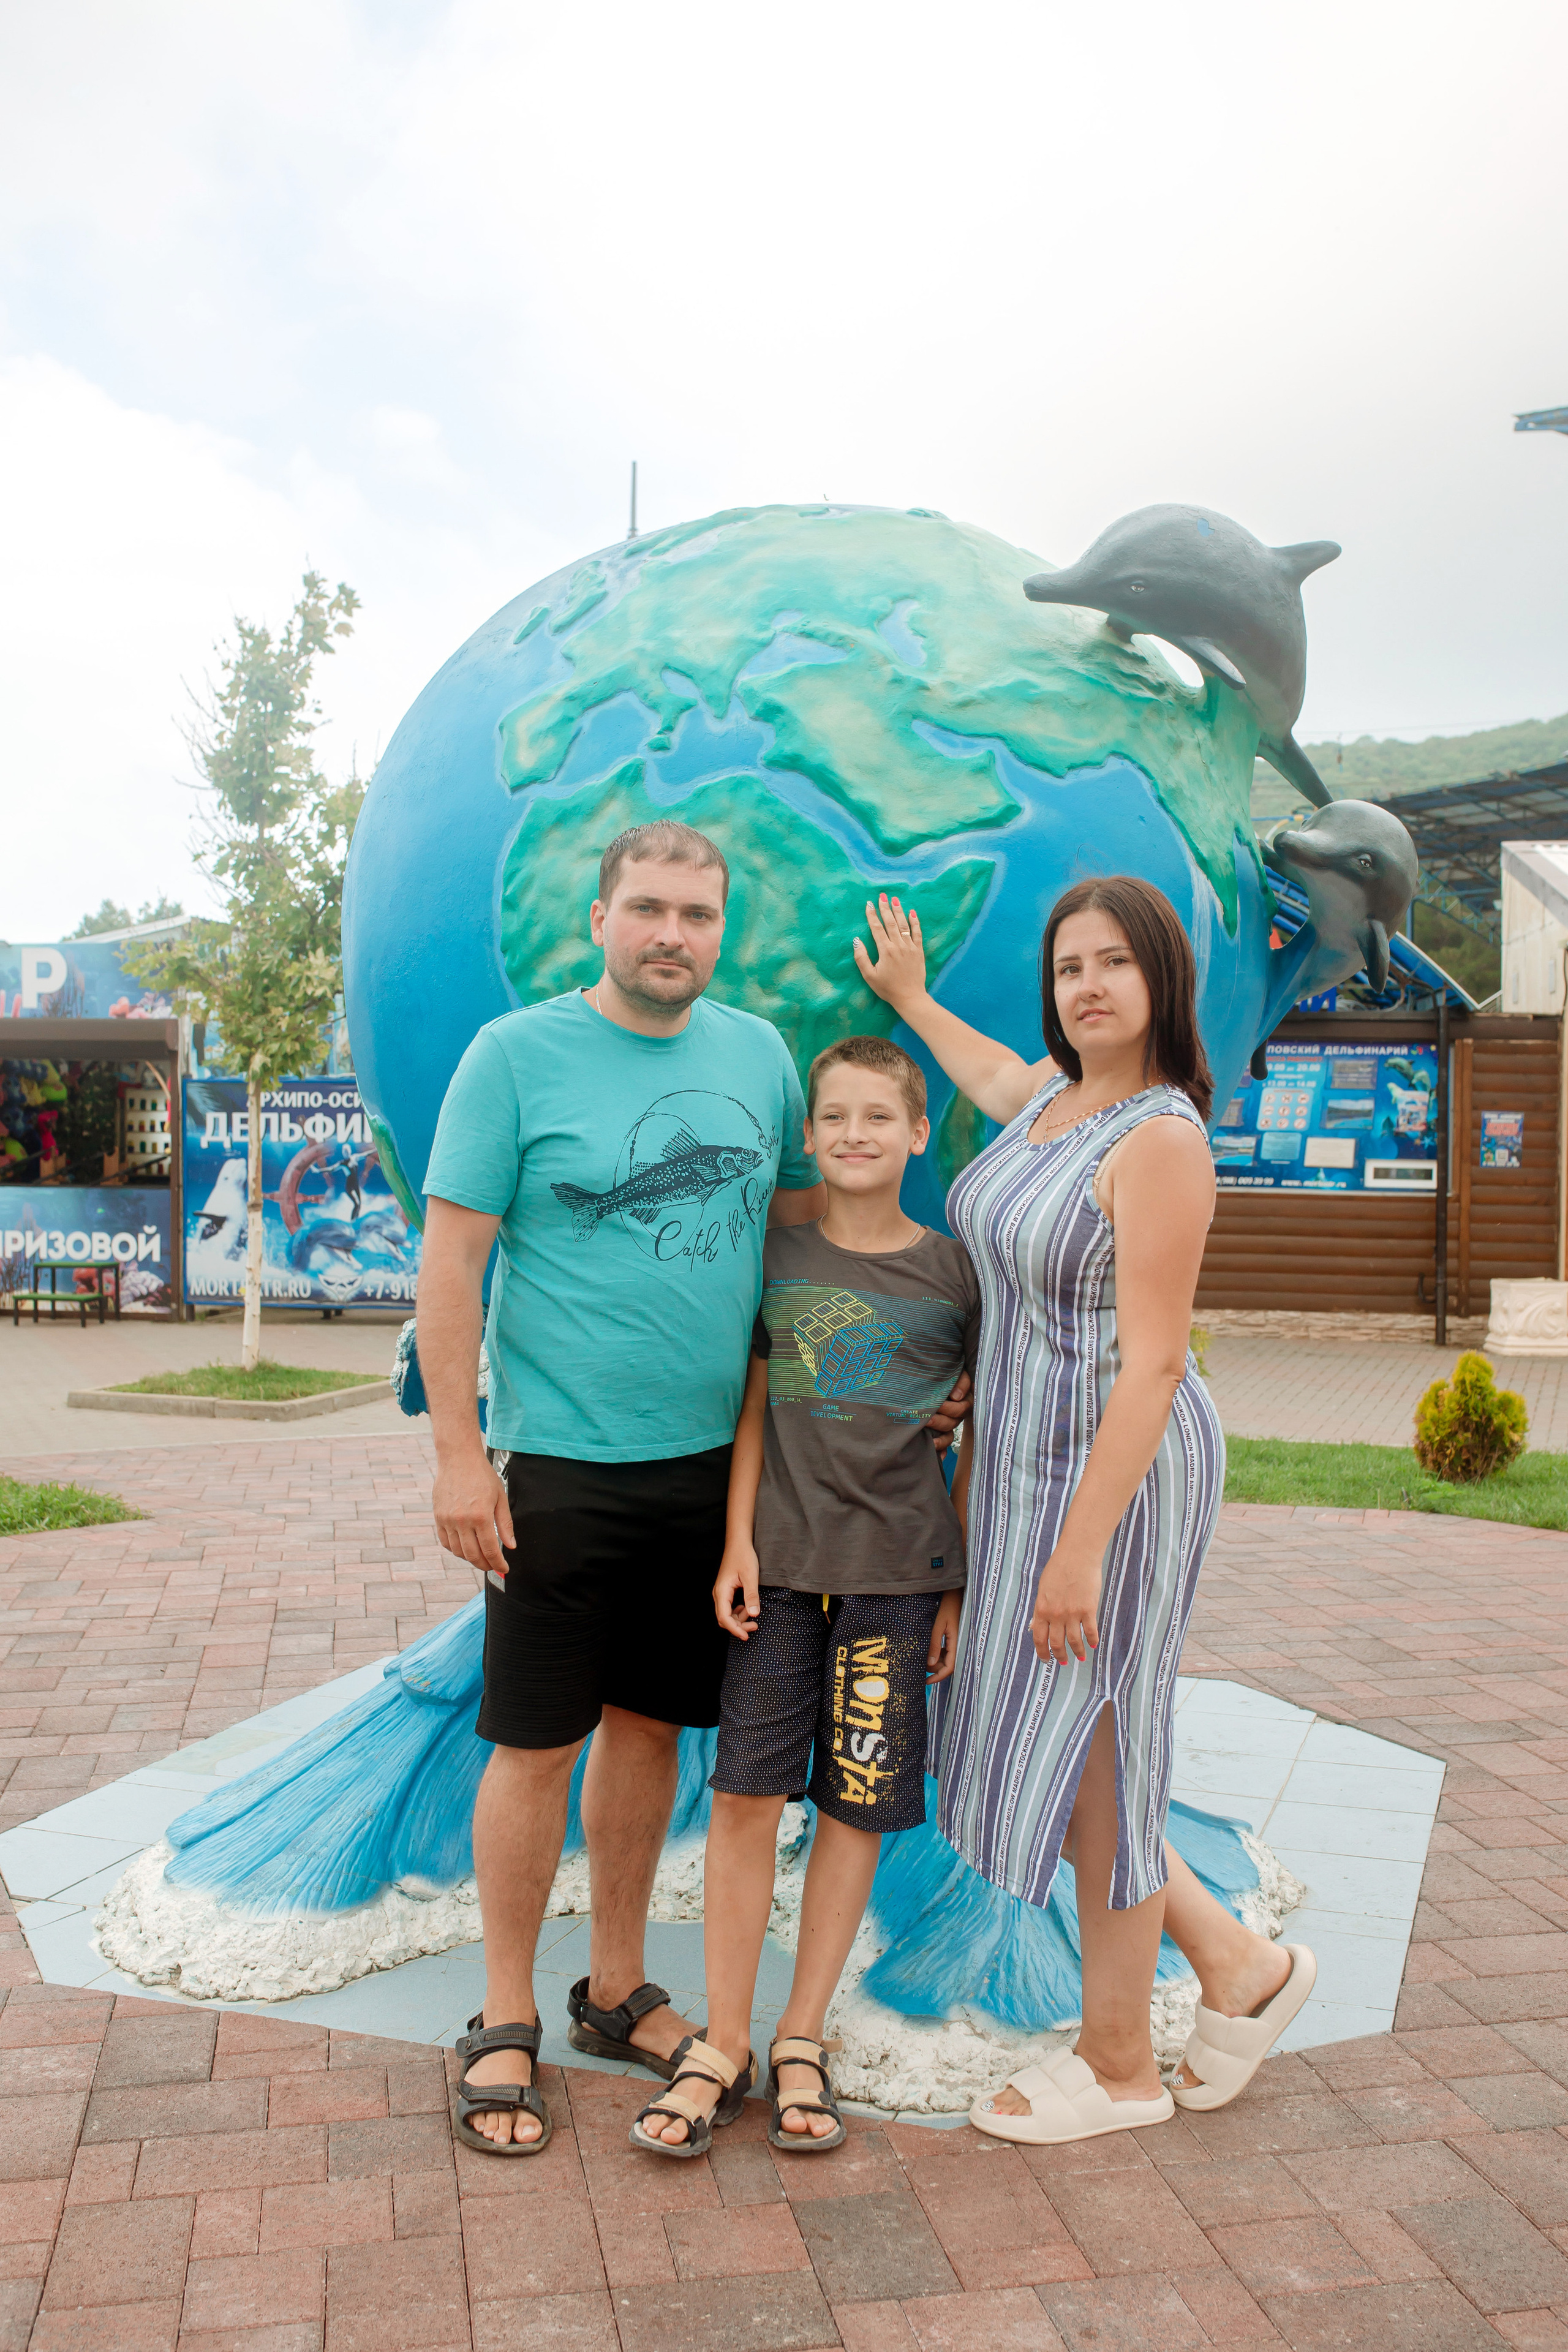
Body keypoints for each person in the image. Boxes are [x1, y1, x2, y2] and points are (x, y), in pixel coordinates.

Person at [416, 824, 968, 2154]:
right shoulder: (514, 1056)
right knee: (534, 1741)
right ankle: (503, 2016)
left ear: (720, 929)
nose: (674, 933)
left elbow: (803, 1224)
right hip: (558, 1464)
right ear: (598, 917)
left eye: (698, 914)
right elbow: (450, 1264)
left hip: (710, 1477)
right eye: (649, 908)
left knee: (654, 1735)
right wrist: (452, 1454)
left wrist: (898, 1368)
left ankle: (614, 1988)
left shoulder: (757, 1056)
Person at [855, 878, 1315, 2144]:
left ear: (1159, 980)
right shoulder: (1056, 1111)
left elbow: (1154, 1365)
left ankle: (1118, 2065)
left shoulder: (1158, 1139)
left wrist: (1076, 1549)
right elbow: (994, 1069)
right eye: (1067, 969)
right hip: (1015, 1468)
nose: (1087, 988)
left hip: (1109, 1478)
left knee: (1098, 1758)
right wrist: (909, 1002)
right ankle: (1232, 1966)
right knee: (1049, 1761)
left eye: (1113, 963)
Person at [628, 1035, 978, 2160]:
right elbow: (752, 1408)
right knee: (745, 1797)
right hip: (778, 1575)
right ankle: (721, 2040)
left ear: (919, 1133)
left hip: (897, 1583)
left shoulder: (958, 1275)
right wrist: (736, 1544)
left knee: (853, 1808)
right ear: (808, 1136)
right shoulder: (776, 1258)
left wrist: (959, 1587)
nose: (856, 1135)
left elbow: (986, 1435)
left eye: (880, 1117)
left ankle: (800, 2036)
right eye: (834, 1118)